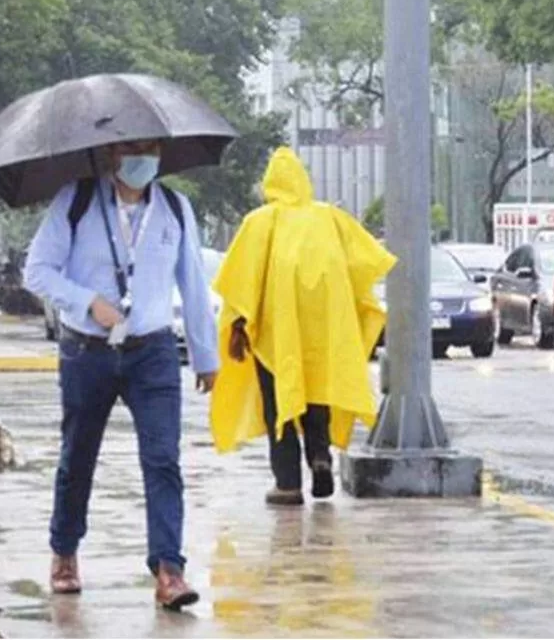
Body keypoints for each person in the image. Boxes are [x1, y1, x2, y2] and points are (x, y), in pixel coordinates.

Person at [23, 138, 218, 610]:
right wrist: (88, 302)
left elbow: (192, 280)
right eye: (133, 147)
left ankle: (169, 568)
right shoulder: (78, 199)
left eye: (151, 147)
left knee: (162, 459)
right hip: (86, 351)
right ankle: (64, 552)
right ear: (112, 153)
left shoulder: (174, 207)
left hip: (152, 351)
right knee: (78, 457)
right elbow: (38, 271)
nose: (143, 157)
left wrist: (205, 352)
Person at [209, 147, 396, 506]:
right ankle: (320, 456)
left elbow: (241, 283)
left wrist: (237, 327)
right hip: (325, 332)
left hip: (273, 334)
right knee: (317, 396)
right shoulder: (330, 219)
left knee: (278, 402)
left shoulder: (260, 222)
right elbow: (365, 264)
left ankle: (288, 483)